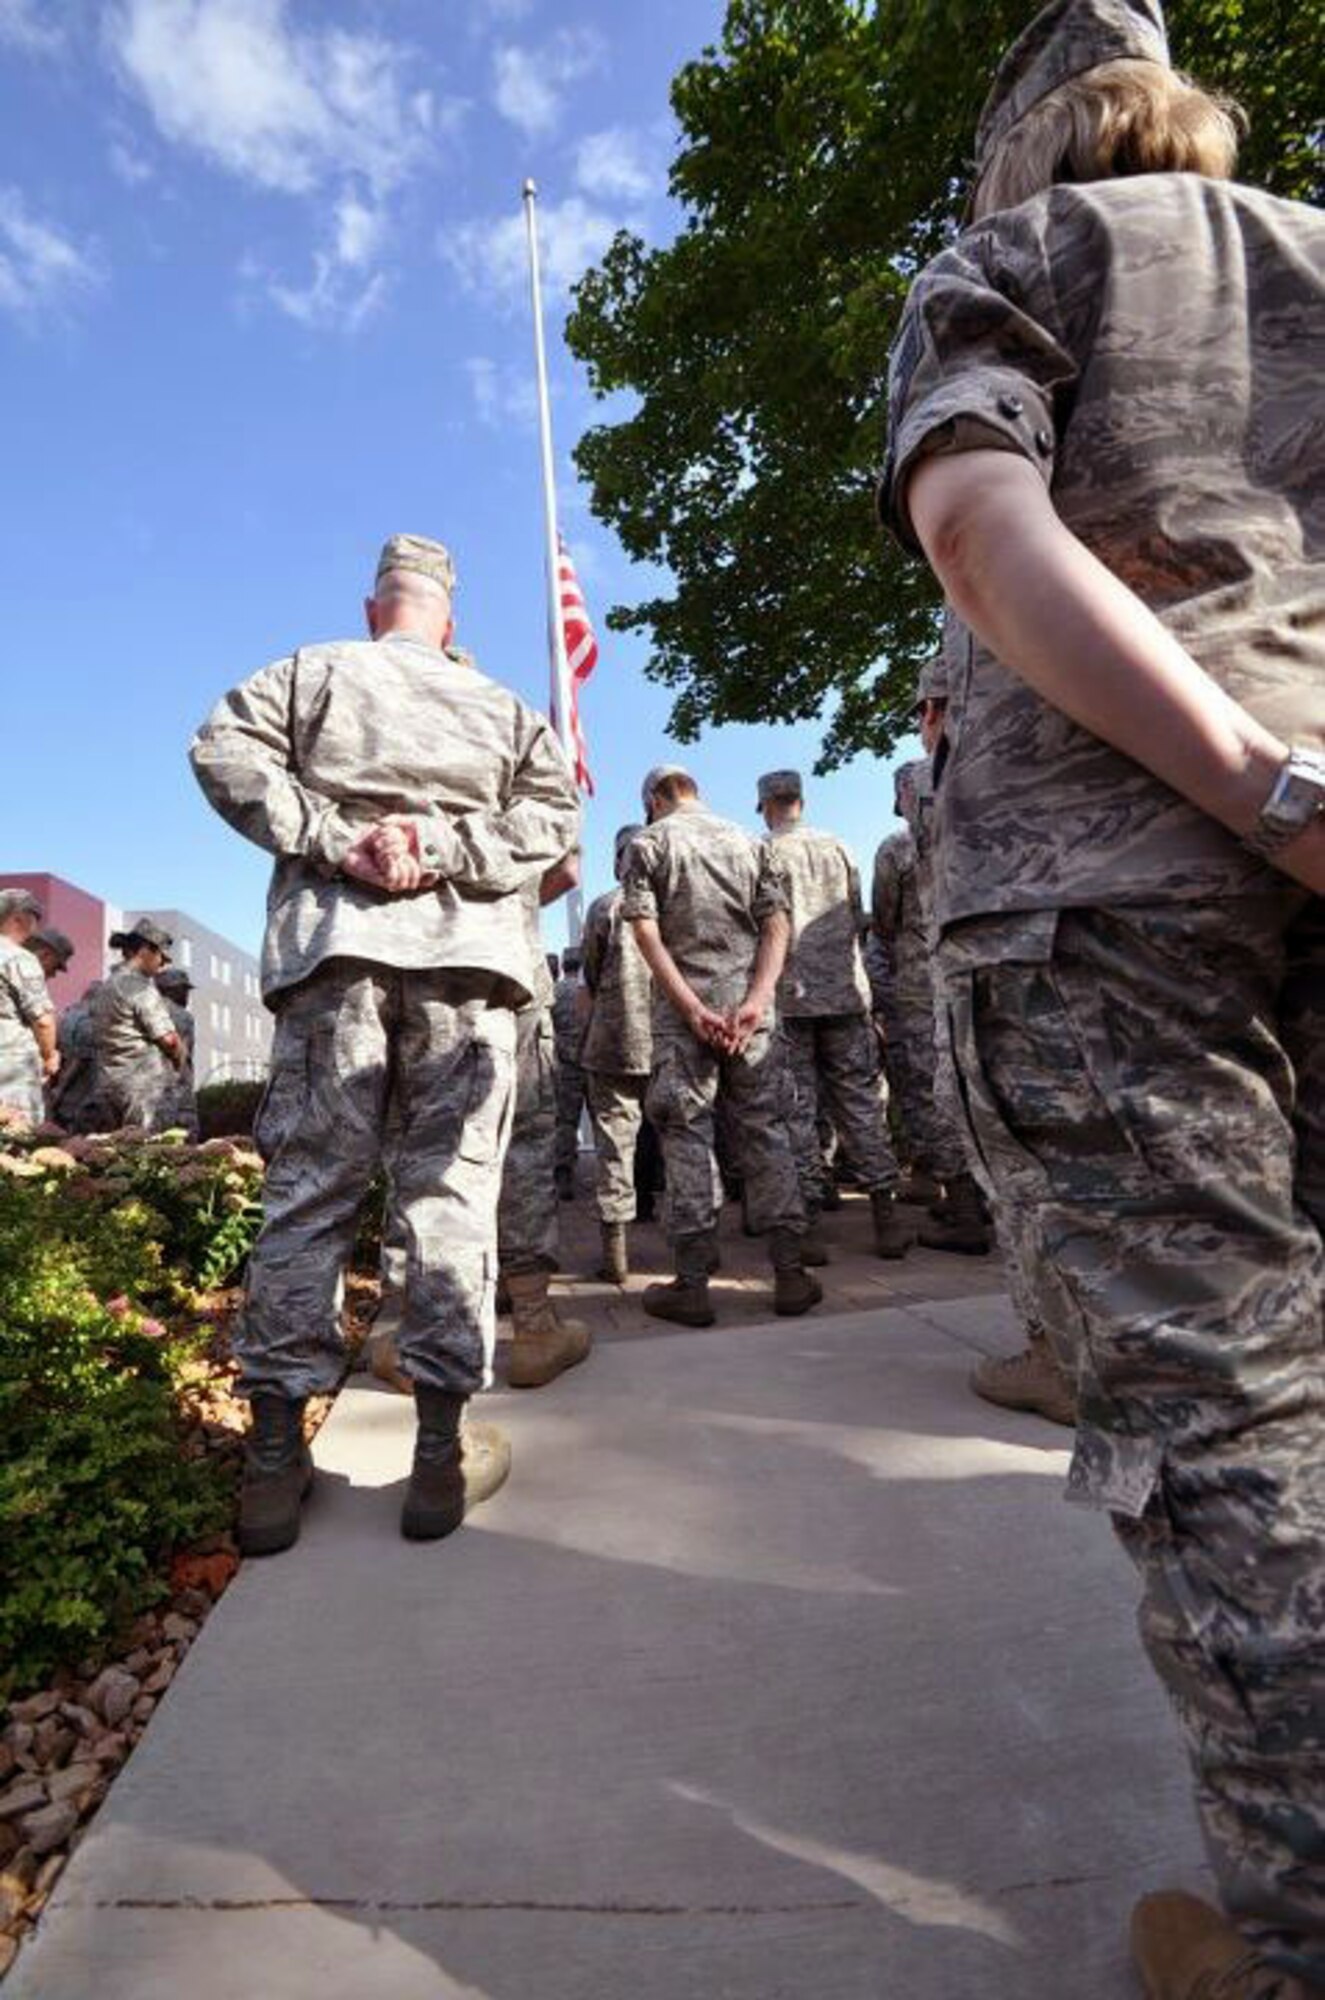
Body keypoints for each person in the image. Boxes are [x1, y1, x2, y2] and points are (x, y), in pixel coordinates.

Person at [882, 2, 1325, 1991]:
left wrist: (1256, 780)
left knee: (1226, 1434)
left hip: (1106, 898)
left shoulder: (1009, 261)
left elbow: (979, 533)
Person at [190, 532, 580, 1555]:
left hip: (335, 955)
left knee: (310, 1192)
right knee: (449, 1198)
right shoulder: (501, 708)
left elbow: (219, 749)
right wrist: (446, 844)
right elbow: (555, 820)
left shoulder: (311, 672)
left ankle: (275, 1460)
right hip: (469, 964)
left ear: (376, 608)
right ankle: (438, 1454)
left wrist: (335, 836)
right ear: (448, 621)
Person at [621, 763, 820, 1325]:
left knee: (686, 1137)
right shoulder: (750, 842)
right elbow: (778, 924)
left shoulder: (649, 843)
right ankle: (789, 1273)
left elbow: (644, 931)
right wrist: (757, 999)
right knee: (767, 1132)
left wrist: (690, 1008)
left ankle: (692, 1284)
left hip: (687, 1018)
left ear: (654, 799)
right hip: (750, 1014)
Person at [496, 862, 592, 1388]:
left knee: (426, 1139)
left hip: (409, 961)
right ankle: (532, 1325)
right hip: (502, 958)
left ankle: (413, 1329)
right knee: (526, 1139)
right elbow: (566, 870)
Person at [580, 823, 653, 1284]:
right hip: (669, 1036)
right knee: (689, 1136)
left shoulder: (605, 907)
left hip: (613, 1039)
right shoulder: (670, 905)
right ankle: (698, 1248)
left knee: (613, 1145)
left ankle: (616, 1254)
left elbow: (590, 972)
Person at [92, 919, 184, 1131]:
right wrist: (179, 1058)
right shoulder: (139, 988)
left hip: (109, 1082)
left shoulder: (105, 987)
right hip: (143, 1087)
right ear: (144, 950)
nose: (163, 964)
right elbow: (168, 1040)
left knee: (117, 1152)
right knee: (150, 1153)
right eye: (161, 955)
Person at [0, 888, 56, 1126]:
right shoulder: (19, 958)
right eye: (34, 918)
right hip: (12, 1069)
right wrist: (49, 1056)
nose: (35, 927)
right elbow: (43, 1020)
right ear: (19, 917)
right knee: (15, 1147)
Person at [551, 944, 587, 1200]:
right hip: (594, 1062)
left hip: (566, 1065)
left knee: (565, 1122)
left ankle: (564, 1177)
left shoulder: (555, 992)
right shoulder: (590, 992)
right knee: (605, 1121)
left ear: (564, 966)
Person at [155, 967, 199, 1139]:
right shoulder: (182, 1016)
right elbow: (183, 1058)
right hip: (177, 1096)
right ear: (173, 990)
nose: (187, 995)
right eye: (184, 990)